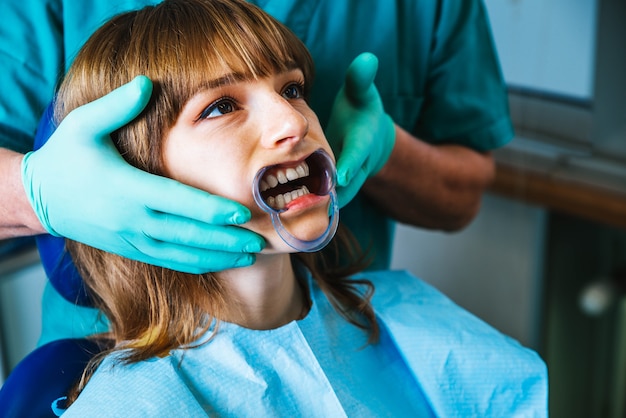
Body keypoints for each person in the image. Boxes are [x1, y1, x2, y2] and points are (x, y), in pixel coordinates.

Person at [25, 1, 547, 416]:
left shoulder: (409, 323)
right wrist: (37, 188)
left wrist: (389, 144)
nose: (294, 122)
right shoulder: (134, 404)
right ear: (138, 172)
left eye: (293, 89)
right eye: (221, 107)